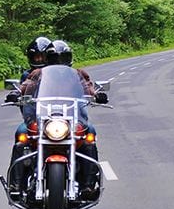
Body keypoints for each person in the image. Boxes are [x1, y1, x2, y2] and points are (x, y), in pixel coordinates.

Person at [8, 39, 103, 200]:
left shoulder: (78, 74)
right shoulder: (38, 75)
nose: (60, 62)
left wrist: (98, 95)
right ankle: (15, 185)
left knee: (89, 136)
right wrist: (16, 94)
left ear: (69, 58)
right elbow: (27, 85)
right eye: (55, 58)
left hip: (71, 120)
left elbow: (88, 87)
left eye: (63, 57)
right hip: (44, 120)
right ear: (48, 59)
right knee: (22, 136)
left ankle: (88, 185)